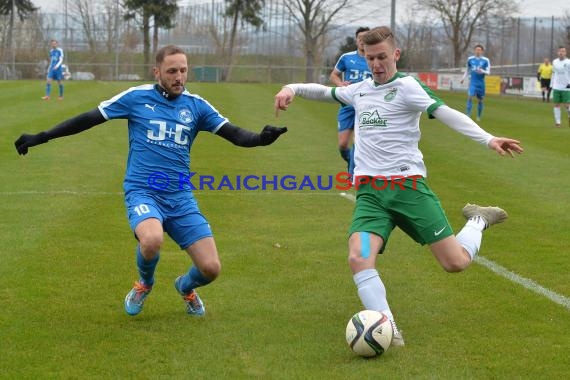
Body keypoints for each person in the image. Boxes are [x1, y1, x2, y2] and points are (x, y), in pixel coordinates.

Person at [274, 26, 523, 347]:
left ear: (395, 55)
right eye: (370, 58)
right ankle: (388, 329)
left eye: (382, 57)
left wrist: (489, 139)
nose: (376, 64)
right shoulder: (360, 90)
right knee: (359, 257)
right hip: (370, 197)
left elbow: (446, 113)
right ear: (363, 57)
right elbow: (325, 92)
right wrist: (290, 87)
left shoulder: (408, 87)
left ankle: (477, 220)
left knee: (455, 263)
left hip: (408, 191)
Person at [15, 45, 287, 317]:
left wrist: (260, 139)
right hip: (143, 191)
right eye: (171, 71)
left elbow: (235, 134)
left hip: (180, 197)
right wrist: (43, 136)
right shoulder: (136, 98)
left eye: (183, 70)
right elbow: (89, 119)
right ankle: (144, 284)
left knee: (211, 269)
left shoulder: (197, 106)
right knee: (152, 239)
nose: (179, 76)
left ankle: (185, 287)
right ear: (157, 72)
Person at [329, 27, 372, 173]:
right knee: (342, 144)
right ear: (356, 40)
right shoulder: (346, 57)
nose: (362, 40)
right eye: (360, 38)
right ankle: (350, 161)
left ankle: (354, 172)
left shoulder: (375, 59)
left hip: (367, 106)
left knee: (359, 142)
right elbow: (334, 75)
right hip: (347, 105)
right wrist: (340, 84)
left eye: (365, 38)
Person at [460, 44, 490, 121]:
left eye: (479, 50)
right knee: (470, 96)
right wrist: (463, 78)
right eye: (476, 49)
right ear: (474, 50)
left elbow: (488, 72)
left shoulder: (486, 60)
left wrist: (482, 71)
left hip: (481, 83)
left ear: (482, 51)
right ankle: (468, 115)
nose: (478, 51)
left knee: (480, 100)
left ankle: (478, 116)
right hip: (473, 81)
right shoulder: (470, 59)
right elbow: (467, 70)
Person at [550, 46, 570, 127]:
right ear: (558, 52)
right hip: (556, 86)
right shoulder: (554, 62)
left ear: (565, 53)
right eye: (560, 51)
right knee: (556, 104)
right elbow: (554, 73)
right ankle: (558, 122)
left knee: (567, 105)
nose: (561, 53)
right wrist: (551, 84)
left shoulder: (569, 62)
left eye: (563, 51)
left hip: (566, 86)